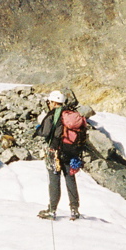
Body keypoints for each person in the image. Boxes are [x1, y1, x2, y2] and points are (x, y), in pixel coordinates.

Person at [34, 90, 85, 220]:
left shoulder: (53, 114)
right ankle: (74, 210)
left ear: (53, 102)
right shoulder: (71, 113)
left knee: (54, 180)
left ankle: (52, 210)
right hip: (70, 151)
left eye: (49, 102)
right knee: (70, 179)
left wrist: (38, 129)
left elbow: (45, 132)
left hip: (54, 152)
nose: (49, 104)